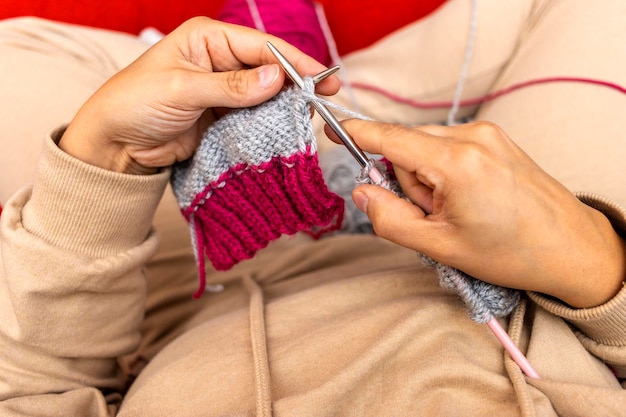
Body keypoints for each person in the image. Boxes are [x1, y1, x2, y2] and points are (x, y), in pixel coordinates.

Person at [0, 1, 625, 416]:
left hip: (174, 299)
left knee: (17, 52)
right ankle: (342, 101)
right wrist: (594, 263)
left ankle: (298, 100)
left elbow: (31, 396)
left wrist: (108, 158)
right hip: (543, 290)